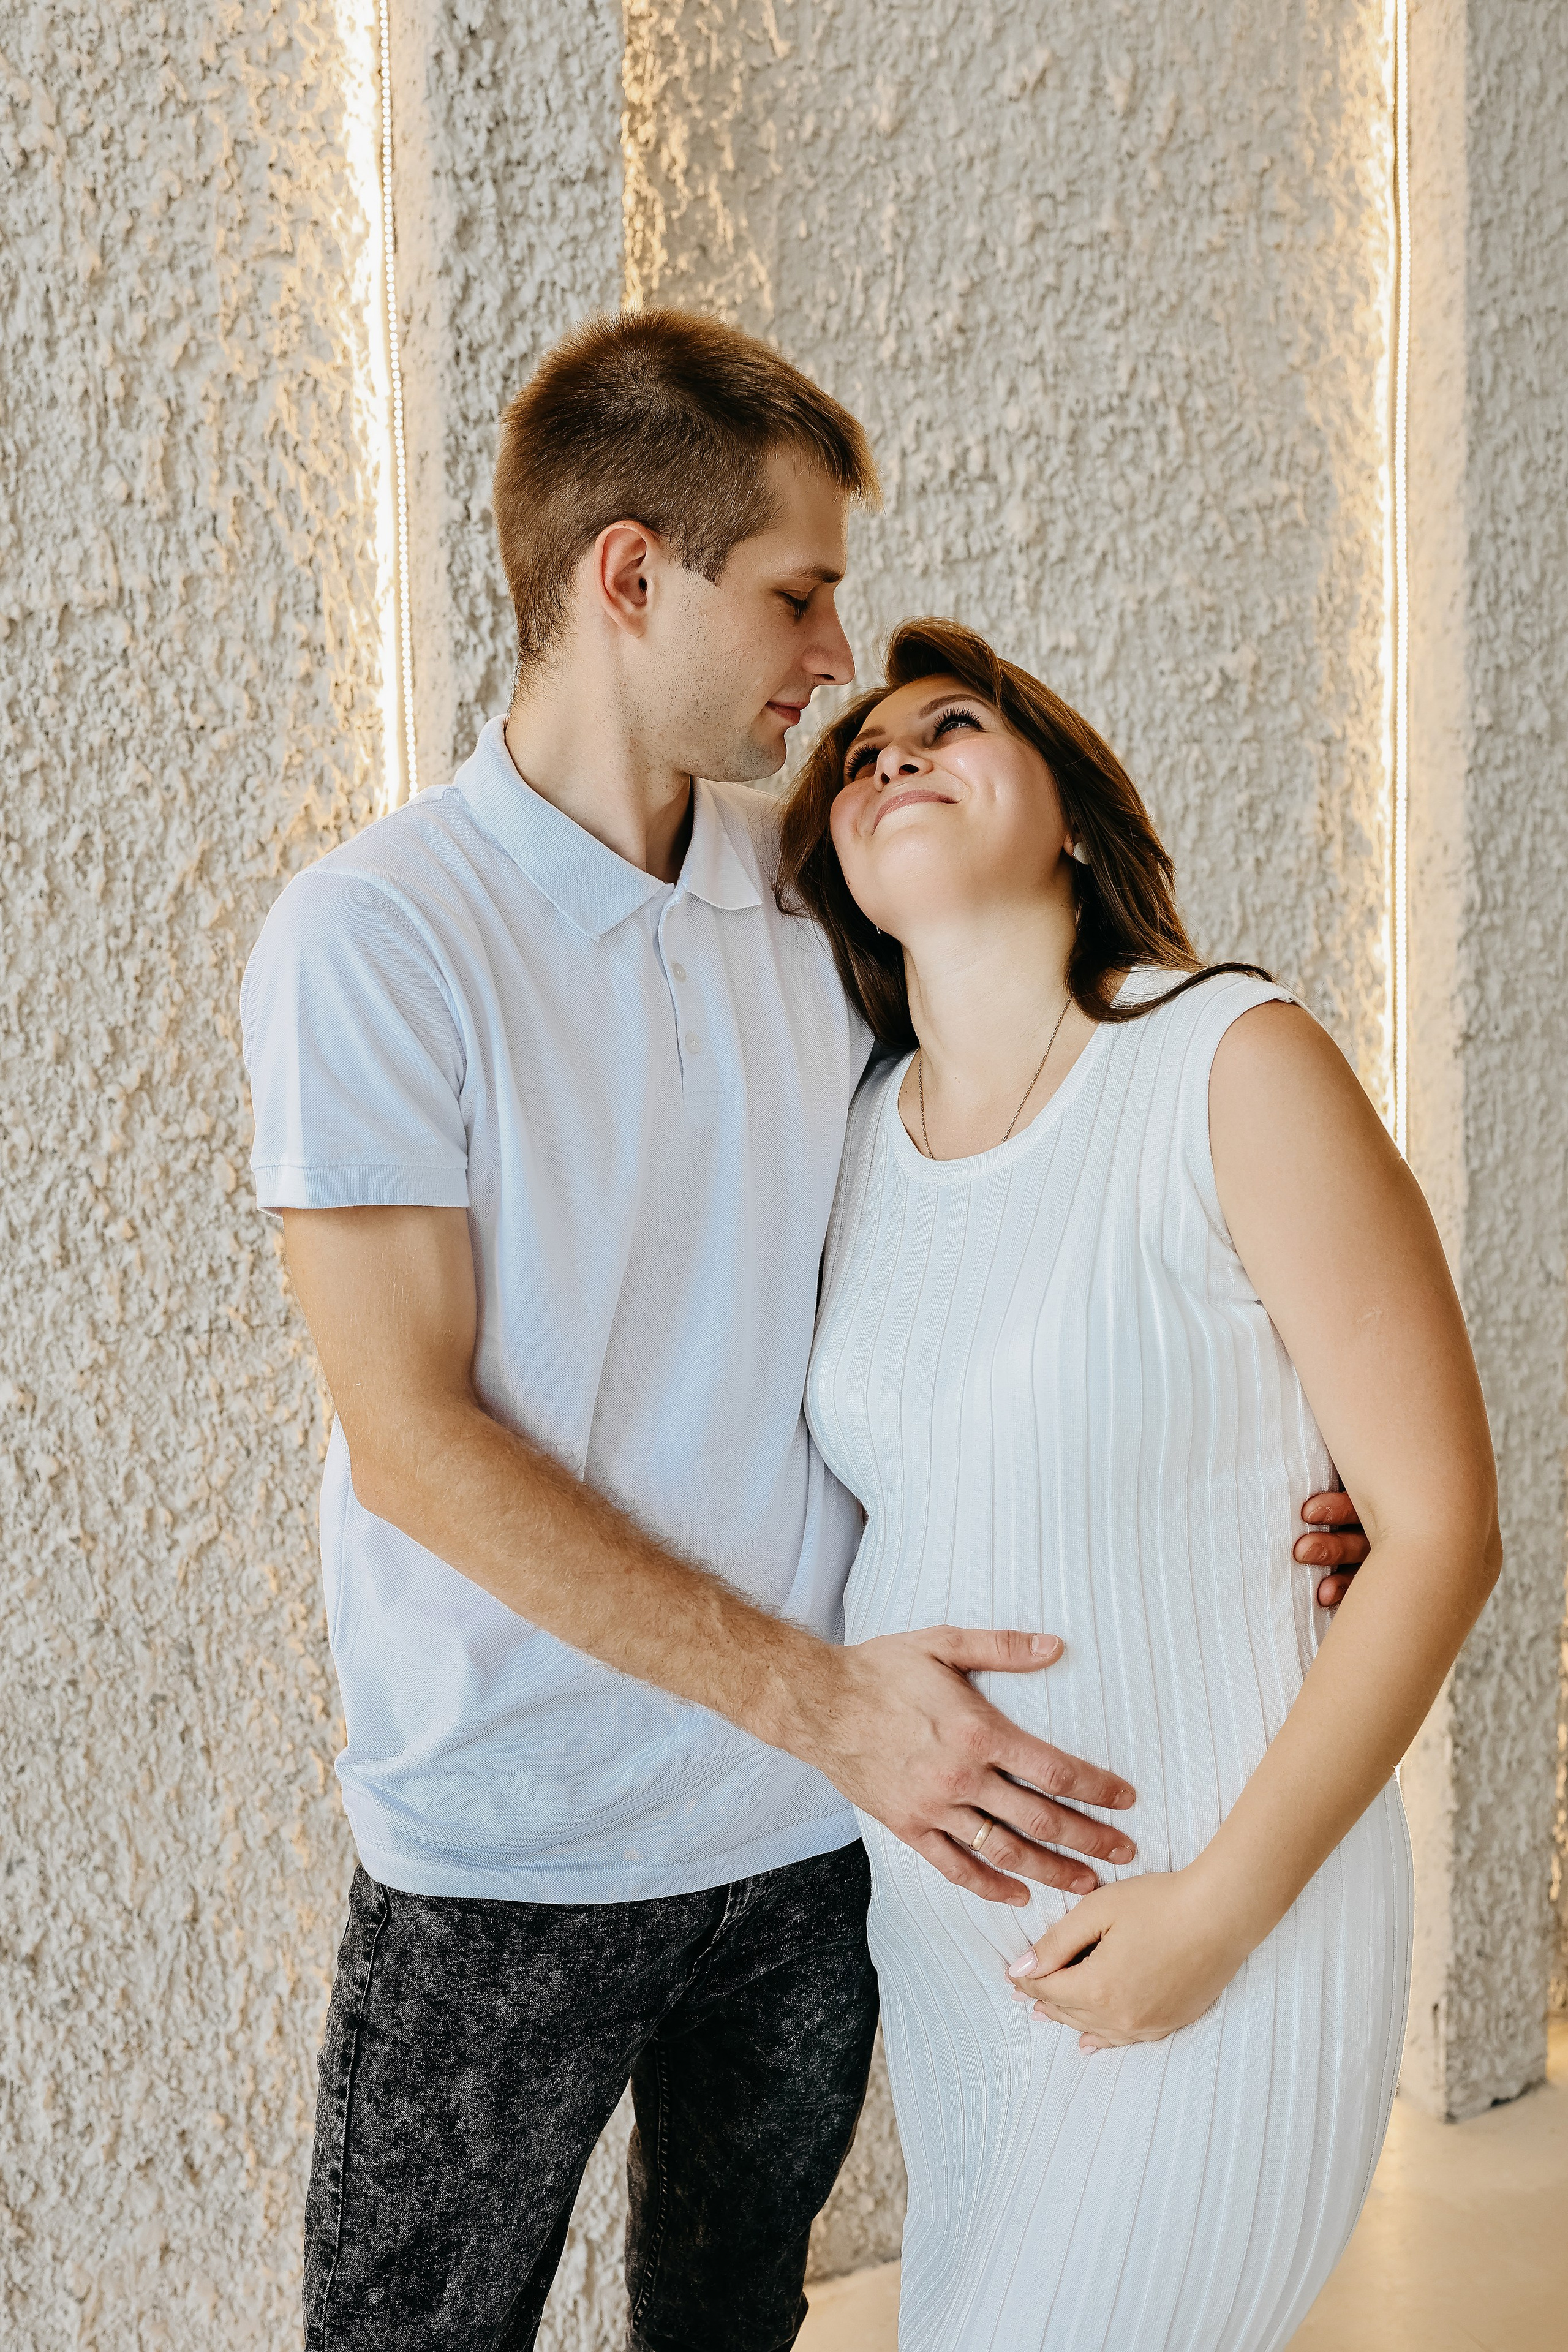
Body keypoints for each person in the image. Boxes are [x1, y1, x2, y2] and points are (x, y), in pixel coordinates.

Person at [241, 310, 1370, 2351]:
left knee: (733, 2320)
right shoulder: (377, 940)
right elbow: (411, 1436)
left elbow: (1045, 1200)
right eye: (797, 591)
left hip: (811, 1859)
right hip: (509, 1846)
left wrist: (1303, 1462)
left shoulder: (825, 906)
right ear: (629, 576)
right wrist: (835, 1706)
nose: (835, 659)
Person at [780, 617, 1501, 2352]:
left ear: (1077, 822)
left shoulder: (1230, 1061)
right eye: (862, 760)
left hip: (1215, 1925)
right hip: (962, 1976)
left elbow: (1442, 1531)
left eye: (949, 728)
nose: (894, 761)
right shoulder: (859, 1137)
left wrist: (1217, 1917)